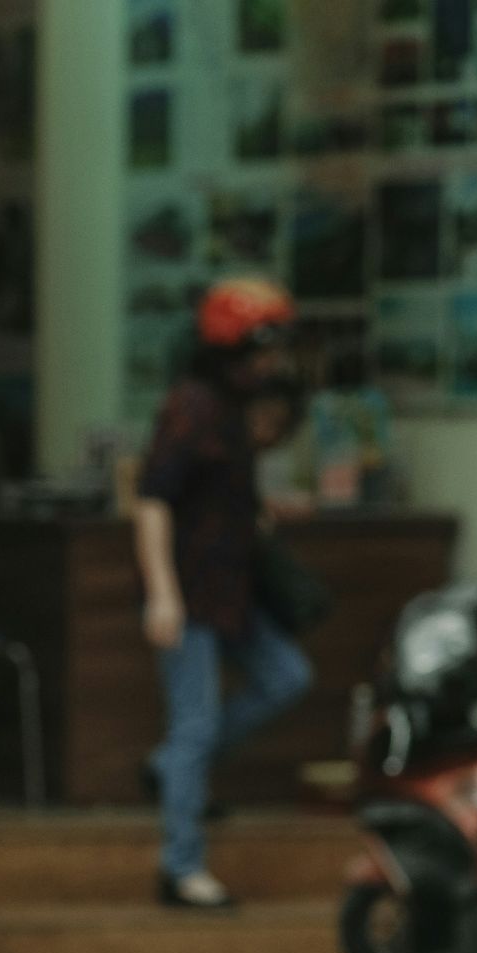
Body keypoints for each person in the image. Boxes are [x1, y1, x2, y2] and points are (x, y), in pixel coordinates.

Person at [134, 277, 315, 911]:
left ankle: (170, 770)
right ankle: (181, 871)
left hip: (232, 591)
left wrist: (261, 510)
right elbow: (153, 500)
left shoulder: (236, 406)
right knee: (196, 725)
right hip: (189, 595)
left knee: (287, 677)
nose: (272, 360)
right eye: (263, 347)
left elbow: (216, 494)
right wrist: (162, 596)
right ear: (231, 347)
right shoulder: (193, 406)